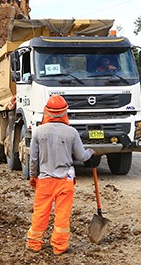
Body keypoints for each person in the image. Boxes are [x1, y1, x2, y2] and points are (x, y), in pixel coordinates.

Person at [26, 94, 95, 255]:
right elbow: (82, 156)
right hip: (65, 181)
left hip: (44, 181)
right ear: (65, 112)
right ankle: (59, 247)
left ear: (47, 112)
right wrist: (92, 152)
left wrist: (33, 177)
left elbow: (33, 159)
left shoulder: (38, 132)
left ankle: (34, 244)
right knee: (62, 215)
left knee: (40, 212)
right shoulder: (71, 132)